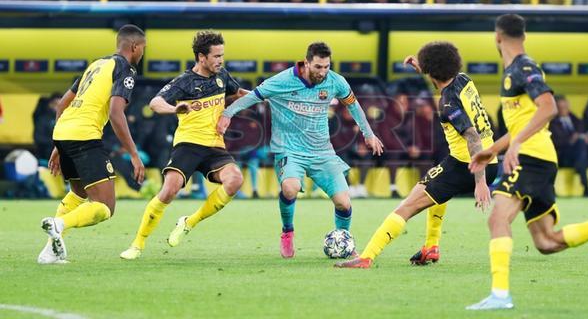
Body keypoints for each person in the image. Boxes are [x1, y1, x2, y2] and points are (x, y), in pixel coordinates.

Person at [466, 14, 588, 311]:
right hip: (537, 157)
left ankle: (500, 295)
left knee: (497, 218)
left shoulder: (523, 66)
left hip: (531, 157)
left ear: (497, 38)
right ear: (522, 36)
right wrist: (494, 150)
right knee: (547, 242)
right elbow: (523, 123)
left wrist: (518, 145)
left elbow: (548, 106)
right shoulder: (514, 70)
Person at [335, 41, 498, 269]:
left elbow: (472, 137)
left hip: (467, 165)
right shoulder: (464, 79)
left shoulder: (448, 104)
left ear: (433, 72)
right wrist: (422, 66)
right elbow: (443, 72)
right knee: (436, 190)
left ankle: (366, 257)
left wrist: (480, 183)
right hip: (487, 160)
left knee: (407, 206)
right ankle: (431, 247)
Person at [218, 42, 383, 258]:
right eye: (318, 67)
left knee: (343, 203)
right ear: (306, 63)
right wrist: (227, 114)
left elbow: (353, 105)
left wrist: (368, 133)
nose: (323, 72)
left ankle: (343, 240)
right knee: (290, 188)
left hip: (322, 152)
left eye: (326, 67)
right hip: (289, 150)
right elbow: (253, 96)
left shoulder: (336, 81)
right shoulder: (282, 80)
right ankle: (287, 232)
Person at [120, 30, 248, 260]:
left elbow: (237, 93)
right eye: (216, 56)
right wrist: (173, 109)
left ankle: (189, 222)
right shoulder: (184, 81)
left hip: (215, 147)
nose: (220, 60)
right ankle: (137, 245)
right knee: (169, 190)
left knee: (235, 179)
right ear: (201, 57)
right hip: (188, 144)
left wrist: (264, 96)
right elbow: (155, 103)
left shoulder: (223, 76)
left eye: (222, 55)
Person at [38, 24, 146, 264]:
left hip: (65, 132)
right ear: (135, 46)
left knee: (77, 193)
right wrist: (134, 155)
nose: (142, 54)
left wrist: (59, 145)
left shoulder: (96, 65)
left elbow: (61, 105)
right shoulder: (125, 69)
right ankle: (60, 223)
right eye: (142, 49)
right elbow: (117, 113)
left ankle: (50, 252)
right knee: (105, 207)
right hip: (85, 135)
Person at [549, 95, 588, 196]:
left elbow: (583, 133)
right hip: (561, 155)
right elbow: (554, 141)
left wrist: (584, 137)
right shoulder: (551, 122)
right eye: (560, 108)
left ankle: (580, 166)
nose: (563, 110)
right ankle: (586, 186)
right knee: (581, 148)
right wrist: (571, 140)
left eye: (565, 107)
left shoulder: (576, 120)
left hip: (577, 153)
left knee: (581, 145)